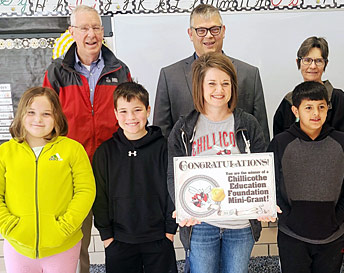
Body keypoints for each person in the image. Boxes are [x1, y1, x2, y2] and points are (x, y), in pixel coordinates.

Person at [43, 6, 131, 272]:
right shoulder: (57, 72)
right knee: (74, 245)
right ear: (72, 32)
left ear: (103, 31)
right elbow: (46, 124)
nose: (91, 34)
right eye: (84, 28)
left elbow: (130, 118)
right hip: (71, 175)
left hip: (113, 172)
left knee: (121, 239)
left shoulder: (120, 70)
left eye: (95, 27)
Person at [167, 53, 272, 273]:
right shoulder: (184, 129)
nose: (219, 90)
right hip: (201, 224)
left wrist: (266, 202)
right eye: (212, 83)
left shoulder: (248, 124)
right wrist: (181, 205)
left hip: (241, 226)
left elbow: (263, 171)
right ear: (200, 86)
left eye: (225, 83)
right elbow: (173, 176)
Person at [0, 87, 95, 273]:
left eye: (46, 113)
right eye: (31, 112)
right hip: (18, 247)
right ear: (21, 115)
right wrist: (10, 226)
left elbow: (85, 190)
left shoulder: (73, 150)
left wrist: (65, 227)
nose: (38, 119)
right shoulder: (4, 153)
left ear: (57, 116)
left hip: (63, 245)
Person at [268, 81, 344, 273]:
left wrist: (337, 217)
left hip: (332, 236)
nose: (316, 113)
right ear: (295, 111)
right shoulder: (280, 143)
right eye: (308, 107)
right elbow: (270, 185)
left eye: (321, 107)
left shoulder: (343, 142)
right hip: (292, 235)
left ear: (328, 108)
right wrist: (288, 216)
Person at [92, 82, 178, 273]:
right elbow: (99, 197)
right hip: (119, 241)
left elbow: (173, 189)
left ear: (148, 111)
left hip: (158, 239)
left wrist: (169, 232)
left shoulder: (164, 148)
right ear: (115, 114)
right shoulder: (105, 152)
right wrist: (107, 237)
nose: (130, 117)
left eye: (137, 110)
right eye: (123, 111)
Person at [154, 4, 269, 143]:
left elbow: (262, 135)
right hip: (188, 160)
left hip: (238, 161)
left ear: (223, 31)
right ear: (191, 34)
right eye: (201, 30)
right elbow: (161, 135)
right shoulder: (170, 76)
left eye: (214, 29)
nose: (209, 36)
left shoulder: (249, 74)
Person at [272, 36, 344, 154]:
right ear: (298, 62)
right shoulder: (288, 101)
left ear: (325, 64)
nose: (312, 66)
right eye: (307, 60)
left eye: (318, 61)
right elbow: (279, 146)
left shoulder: (338, 99)